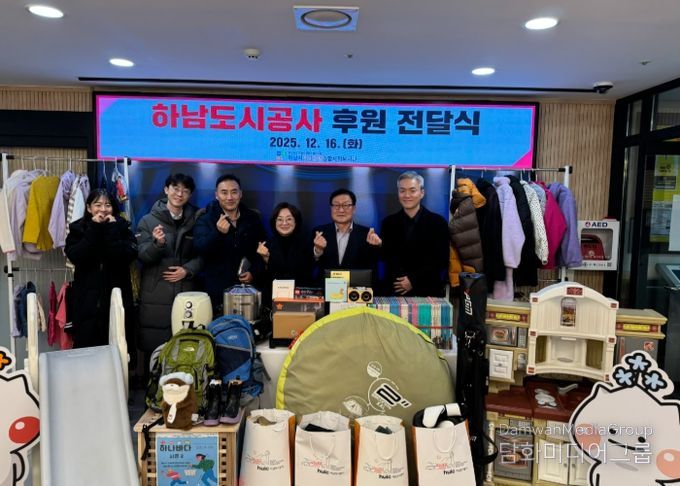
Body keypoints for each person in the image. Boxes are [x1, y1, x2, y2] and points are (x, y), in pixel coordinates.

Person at [136, 173, 203, 354]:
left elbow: (205, 255)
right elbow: (142, 255)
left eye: (185, 191)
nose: (179, 194)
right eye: (175, 188)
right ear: (166, 190)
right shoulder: (147, 221)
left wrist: (187, 270)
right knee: (155, 351)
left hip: (188, 293)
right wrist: (157, 244)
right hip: (156, 296)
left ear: (190, 195)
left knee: (187, 352)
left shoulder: (198, 219)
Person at [64, 189, 138, 348]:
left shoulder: (123, 229)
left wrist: (112, 230)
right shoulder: (77, 230)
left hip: (117, 300)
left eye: (108, 205)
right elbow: (76, 256)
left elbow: (127, 256)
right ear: (89, 208)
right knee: (87, 350)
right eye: (98, 205)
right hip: (86, 303)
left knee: (119, 350)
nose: (103, 209)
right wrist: (93, 229)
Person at [193, 174, 266, 313]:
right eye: (224, 192)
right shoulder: (205, 219)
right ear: (216, 195)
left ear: (240, 194)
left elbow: (262, 249)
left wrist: (254, 272)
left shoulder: (252, 218)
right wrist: (218, 233)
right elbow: (199, 248)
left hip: (247, 292)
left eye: (234, 192)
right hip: (217, 292)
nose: (229, 197)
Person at [380, 171, 449, 297]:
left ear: (422, 193)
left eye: (412, 190)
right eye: (402, 191)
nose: (407, 195)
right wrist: (378, 245)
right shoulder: (388, 223)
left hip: (428, 292)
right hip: (394, 292)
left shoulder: (438, 223)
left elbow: (442, 260)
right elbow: (385, 258)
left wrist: (413, 280)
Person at [311, 188, 381, 283]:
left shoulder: (367, 234)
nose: (341, 210)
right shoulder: (319, 232)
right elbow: (308, 265)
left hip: (355, 288)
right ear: (331, 208)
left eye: (346, 205)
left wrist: (378, 245)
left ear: (354, 209)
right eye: (336, 205)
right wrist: (318, 251)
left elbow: (374, 267)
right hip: (326, 288)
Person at [256, 202, 314, 305]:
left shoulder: (306, 244)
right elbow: (260, 279)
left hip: (299, 302)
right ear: (274, 222)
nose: (284, 223)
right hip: (271, 303)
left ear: (296, 222)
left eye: (289, 219)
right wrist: (265, 260)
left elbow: (305, 275)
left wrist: (269, 260)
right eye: (280, 219)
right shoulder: (265, 246)